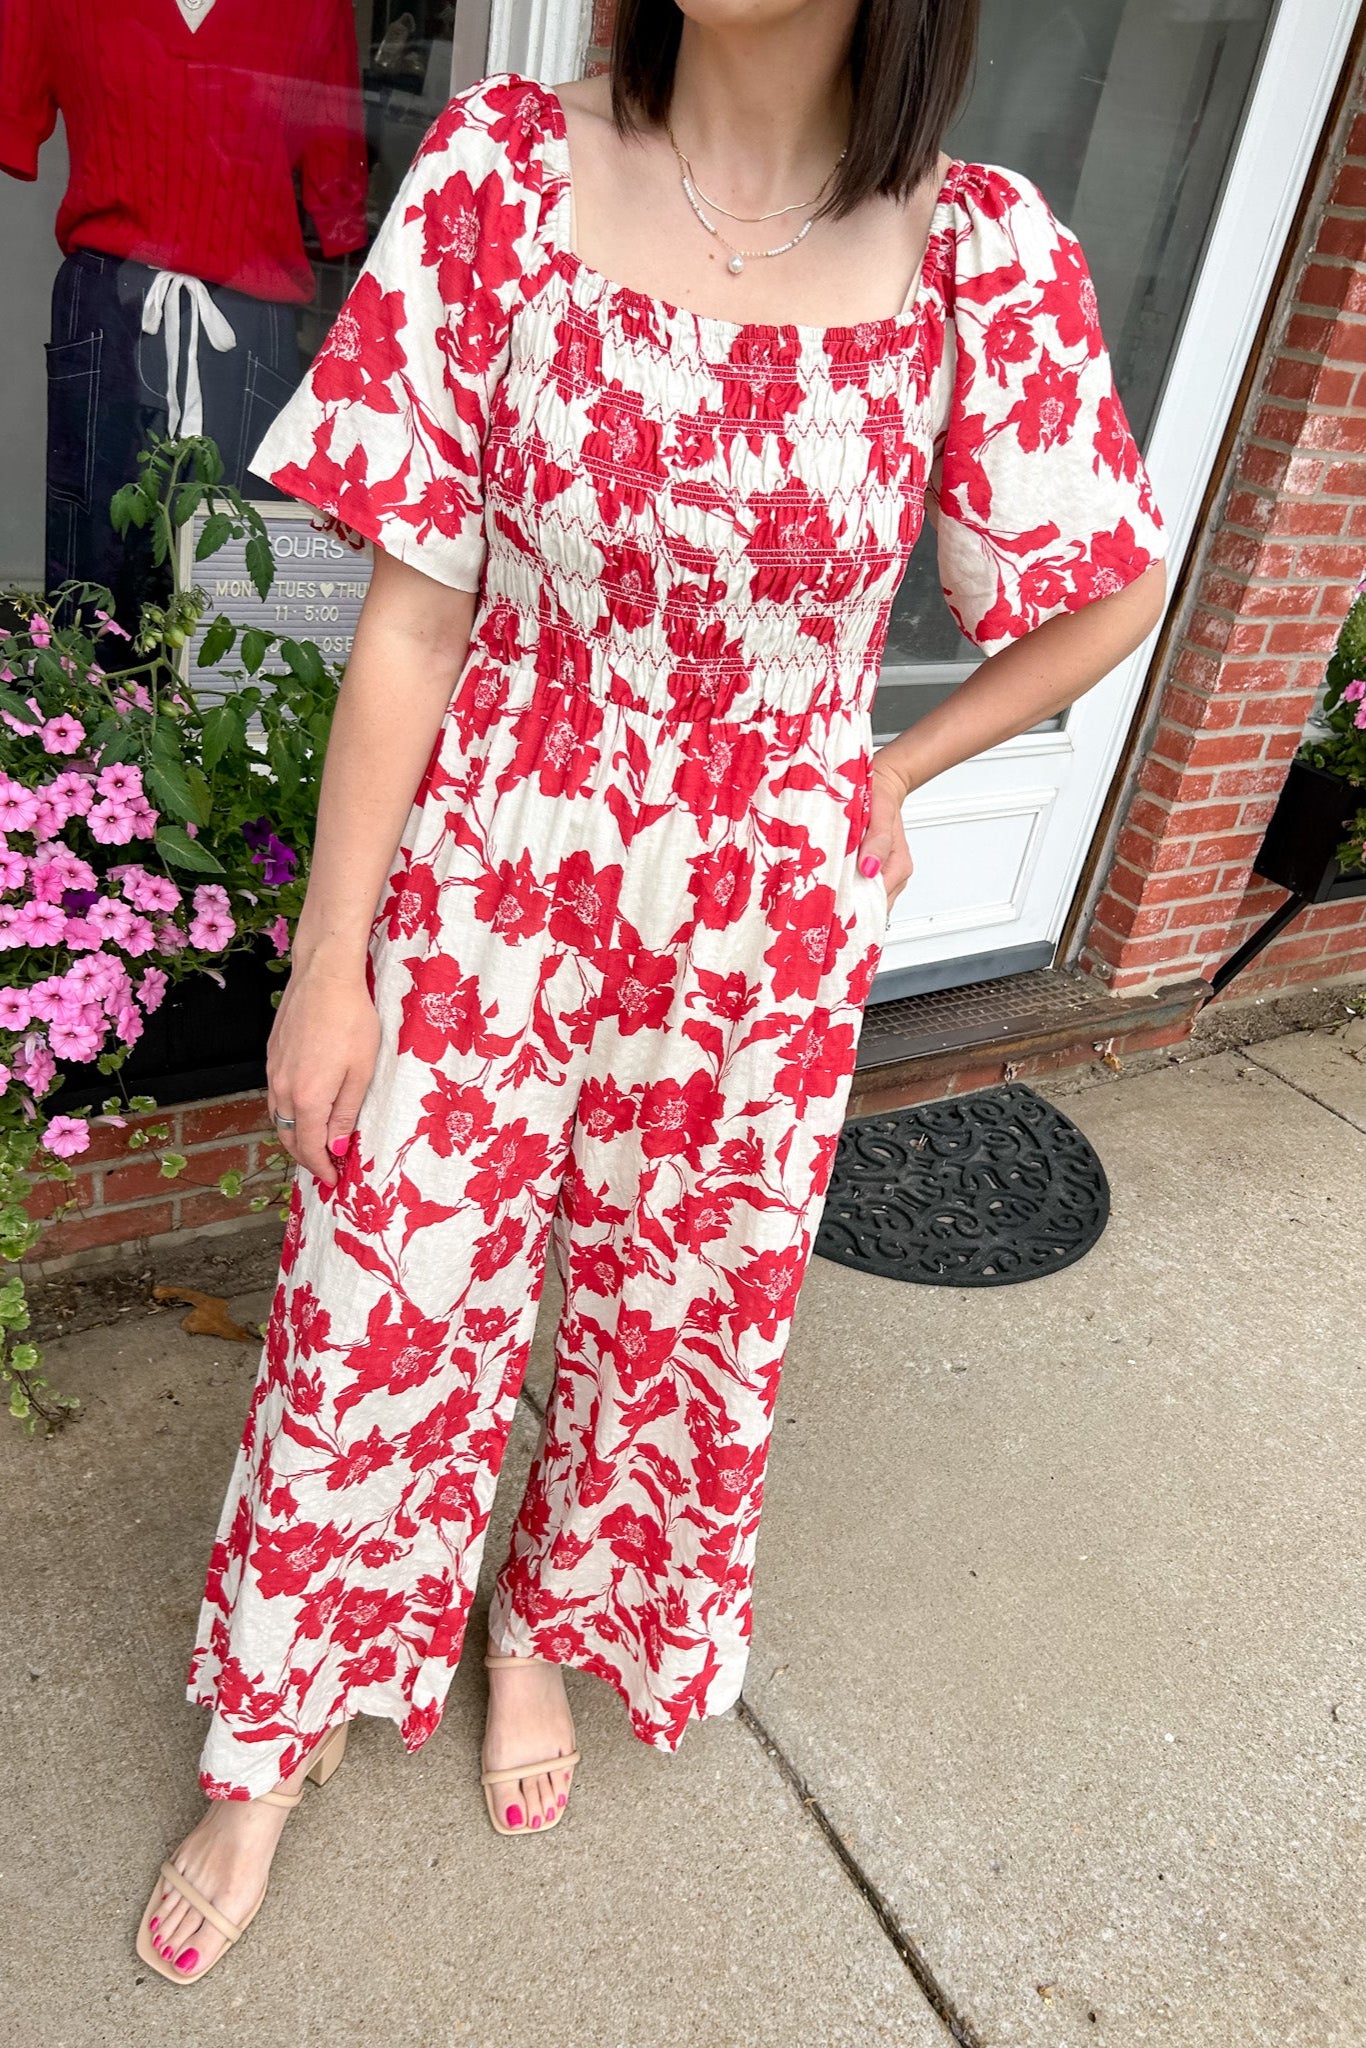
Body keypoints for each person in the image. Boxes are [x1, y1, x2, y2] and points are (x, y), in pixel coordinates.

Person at [137, 0, 1167, 1985]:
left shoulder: (972, 250)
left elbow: (1105, 582)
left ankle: (543, 1622)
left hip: (756, 923)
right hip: (493, 865)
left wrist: (884, 772)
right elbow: (415, 609)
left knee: (670, 1323)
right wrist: (330, 957)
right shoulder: (505, 177)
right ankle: (273, 1728)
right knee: (381, 1297)